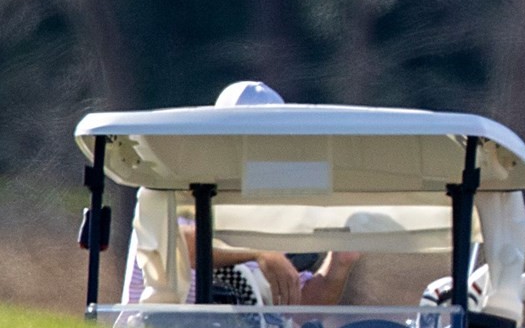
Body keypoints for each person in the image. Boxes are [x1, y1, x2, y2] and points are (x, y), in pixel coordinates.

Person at [123, 80, 359, 307]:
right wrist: (259, 252)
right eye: (244, 138)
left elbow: (296, 302)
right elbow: (178, 244)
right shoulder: (176, 186)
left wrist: (339, 264)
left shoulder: (269, 210)